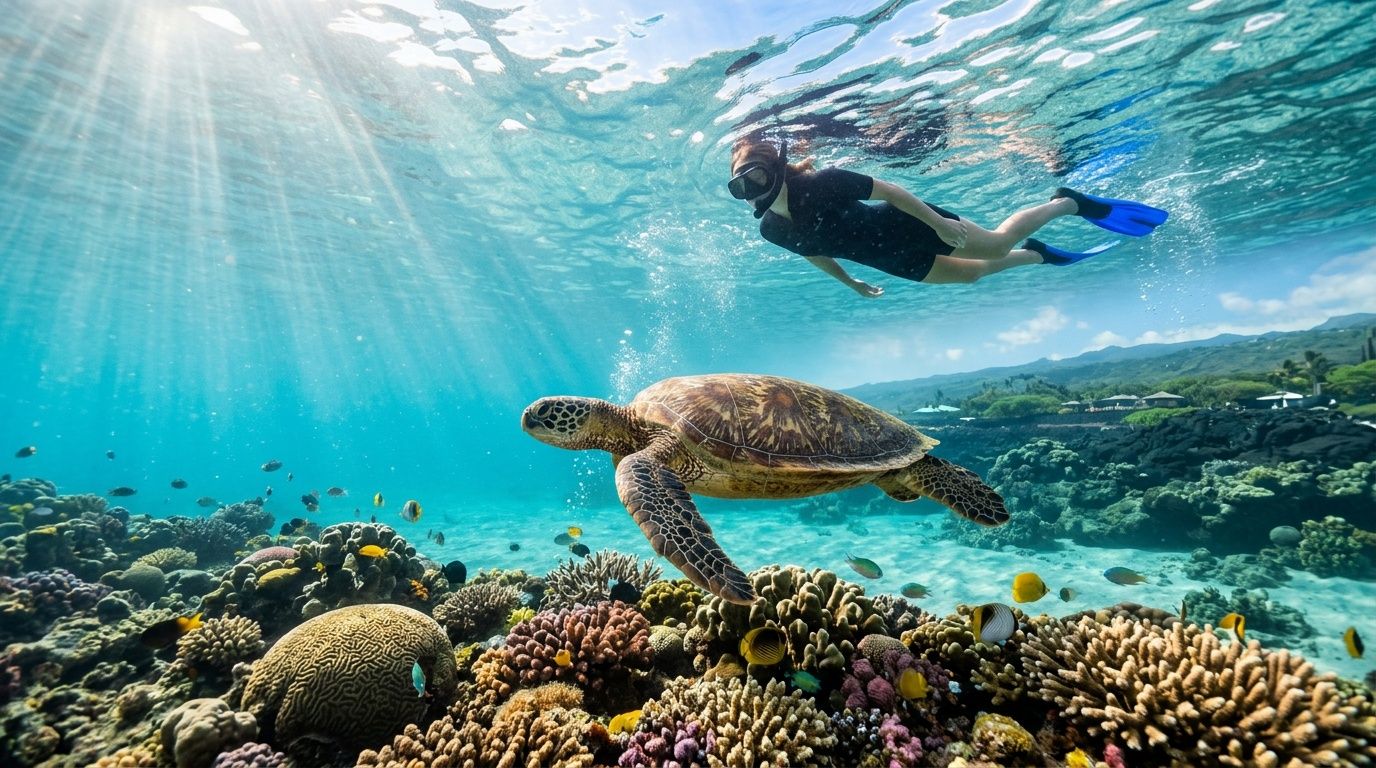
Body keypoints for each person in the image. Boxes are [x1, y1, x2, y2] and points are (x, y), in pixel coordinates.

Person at [728, 139, 1167, 297]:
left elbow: (892, 191)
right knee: (970, 277)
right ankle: (1034, 254)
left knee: (994, 245)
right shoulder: (770, 230)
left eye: (754, 177)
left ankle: (1067, 202)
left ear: (778, 167)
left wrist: (938, 224)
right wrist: (851, 283)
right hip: (890, 261)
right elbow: (814, 253)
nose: (749, 190)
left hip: (907, 223)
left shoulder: (824, 182)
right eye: (739, 186)